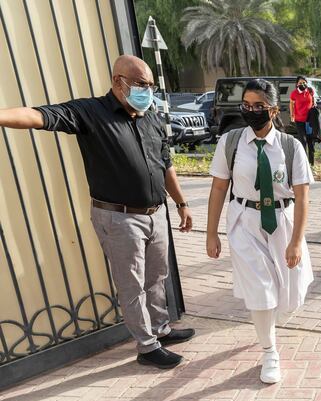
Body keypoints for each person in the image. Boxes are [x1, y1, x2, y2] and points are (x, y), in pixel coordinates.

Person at [0, 55, 195, 370]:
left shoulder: (151, 117)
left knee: (157, 276)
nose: (147, 90)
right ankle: (147, 347)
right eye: (141, 84)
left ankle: (161, 329)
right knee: (131, 284)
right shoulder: (90, 113)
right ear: (118, 82)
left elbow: (165, 164)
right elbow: (39, 116)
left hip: (156, 213)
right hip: (119, 218)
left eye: (150, 85)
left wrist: (182, 203)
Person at [206, 79, 314, 384]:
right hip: (245, 221)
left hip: (283, 220)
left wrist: (295, 242)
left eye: (259, 106)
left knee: (293, 293)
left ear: (274, 109)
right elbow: (217, 188)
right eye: (246, 105)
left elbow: (303, 196)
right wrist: (211, 233)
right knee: (261, 289)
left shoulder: (291, 147)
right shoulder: (230, 143)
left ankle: (271, 323)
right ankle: (269, 351)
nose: (251, 111)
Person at [289, 75, 316, 166]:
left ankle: (311, 163)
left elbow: (313, 103)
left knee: (310, 141)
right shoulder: (294, 93)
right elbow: (291, 105)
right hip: (299, 120)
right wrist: (292, 115)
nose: (302, 84)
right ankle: (304, 162)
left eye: (304, 82)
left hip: (309, 121)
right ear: (297, 84)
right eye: (300, 83)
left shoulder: (310, 91)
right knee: (303, 140)